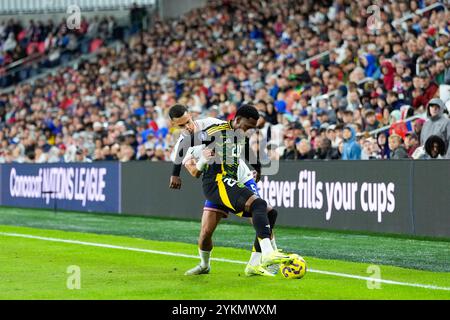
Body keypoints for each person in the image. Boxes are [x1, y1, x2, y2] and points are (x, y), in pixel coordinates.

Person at [175, 104, 292, 275]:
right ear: (175, 126)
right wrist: (200, 162)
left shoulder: (212, 123)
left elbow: (242, 143)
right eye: (181, 125)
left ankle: (267, 256)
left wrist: (257, 168)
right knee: (206, 232)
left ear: (191, 117)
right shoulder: (188, 143)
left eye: (188, 122)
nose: (187, 126)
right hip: (218, 182)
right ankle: (205, 265)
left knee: (264, 212)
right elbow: (194, 172)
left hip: (240, 177)